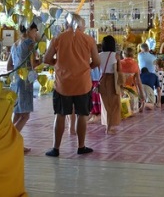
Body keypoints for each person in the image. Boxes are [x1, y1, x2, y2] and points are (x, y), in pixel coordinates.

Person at [44, 14, 100, 157]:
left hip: (63, 84)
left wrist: (59, 63)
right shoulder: (89, 39)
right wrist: (86, 66)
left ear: (66, 24)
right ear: (81, 25)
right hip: (82, 83)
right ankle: (81, 147)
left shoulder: (57, 38)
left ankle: (56, 148)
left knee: (60, 115)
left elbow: (47, 59)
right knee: (82, 115)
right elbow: (97, 62)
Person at [6, 22, 40, 153]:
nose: (36, 34)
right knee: (25, 115)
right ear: (30, 30)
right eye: (35, 31)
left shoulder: (15, 44)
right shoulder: (29, 43)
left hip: (15, 80)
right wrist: (42, 60)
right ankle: (8, 140)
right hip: (25, 81)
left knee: (17, 114)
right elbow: (33, 64)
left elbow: (9, 66)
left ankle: (13, 143)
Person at [99, 35, 122, 134]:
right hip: (112, 80)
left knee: (105, 104)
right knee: (114, 104)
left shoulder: (99, 55)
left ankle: (107, 125)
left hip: (102, 80)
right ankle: (109, 127)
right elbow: (119, 70)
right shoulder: (115, 55)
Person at [121, 47, 146, 112]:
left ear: (123, 54)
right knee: (132, 112)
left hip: (121, 90)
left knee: (122, 111)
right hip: (132, 90)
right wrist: (142, 94)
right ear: (133, 55)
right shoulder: (135, 64)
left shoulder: (119, 63)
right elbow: (138, 81)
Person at [88, 44, 102, 124]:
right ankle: (94, 114)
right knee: (95, 99)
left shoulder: (93, 60)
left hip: (94, 82)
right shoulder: (98, 60)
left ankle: (96, 115)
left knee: (95, 98)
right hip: (95, 82)